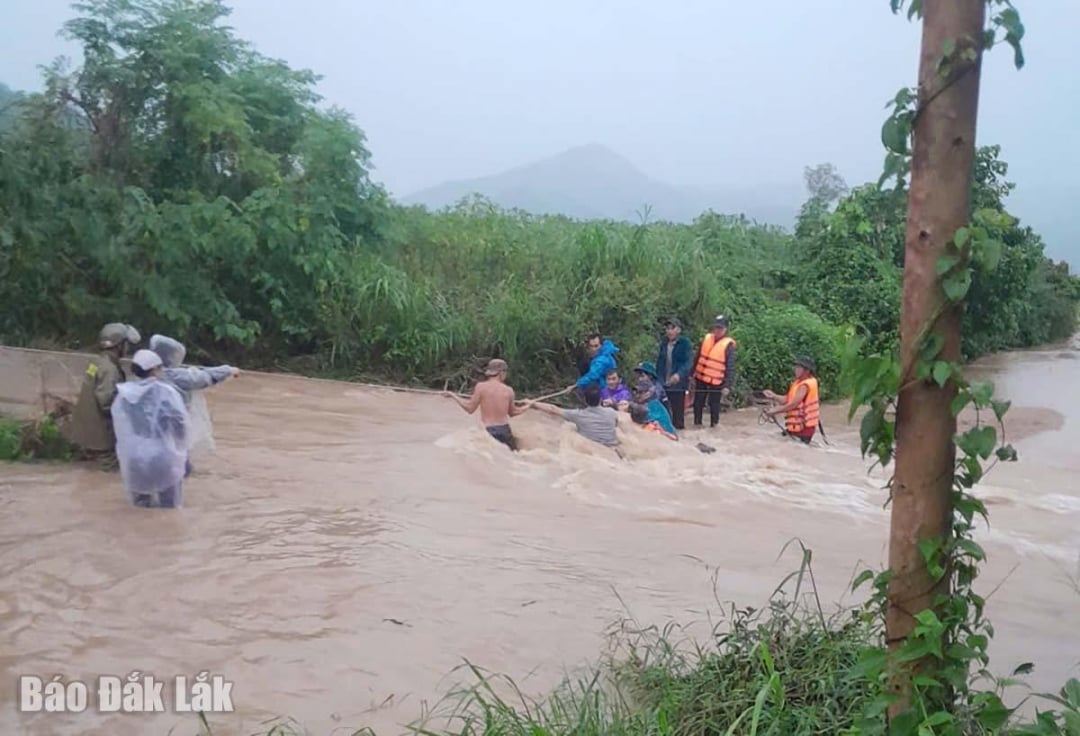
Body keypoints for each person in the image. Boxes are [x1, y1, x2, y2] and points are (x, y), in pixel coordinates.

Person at [148, 334, 240, 475]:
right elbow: (203, 377)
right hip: (172, 426)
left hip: (148, 428)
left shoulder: (142, 374)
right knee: (180, 468)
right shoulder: (175, 376)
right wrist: (228, 370)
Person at [111, 349, 189, 508]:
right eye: (159, 368)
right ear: (153, 370)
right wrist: (181, 449)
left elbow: (120, 424)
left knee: (140, 508)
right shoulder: (166, 392)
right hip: (162, 454)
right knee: (169, 507)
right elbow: (180, 422)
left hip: (135, 455)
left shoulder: (124, 394)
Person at [65, 322, 141, 464]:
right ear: (119, 345)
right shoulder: (110, 369)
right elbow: (106, 402)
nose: (128, 348)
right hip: (100, 441)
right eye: (126, 344)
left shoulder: (96, 362)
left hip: (85, 436)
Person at [443, 358, 527, 451]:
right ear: (500, 372)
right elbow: (513, 412)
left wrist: (453, 396)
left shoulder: (480, 387)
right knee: (513, 456)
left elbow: (469, 409)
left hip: (488, 431)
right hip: (504, 430)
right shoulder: (508, 390)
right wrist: (528, 406)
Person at [527, 383, 619, 449]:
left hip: (591, 450)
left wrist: (532, 403)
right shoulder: (612, 413)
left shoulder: (577, 415)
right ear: (601, 399)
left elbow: (553, 409)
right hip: (611, 450)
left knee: (569, 428)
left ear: (585, 400)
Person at [691, 315, 737, 429]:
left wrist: (727, 386)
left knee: (714, 404)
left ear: (726, 329)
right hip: (701, 377)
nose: (717, 330)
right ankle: (697, 424)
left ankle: (714, 425)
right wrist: (691, 374)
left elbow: (730, 367)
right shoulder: (707, 339)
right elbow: (697, 358)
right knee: (698, 402)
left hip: (717, 380)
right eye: (716, 327)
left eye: (720, 328)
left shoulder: (728, 346)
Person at [763, 356, 820, 445]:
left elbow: (793, 404)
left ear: (807, 371)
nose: (795, 369)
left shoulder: (804, 386)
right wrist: (774, 396)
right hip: (796, 427)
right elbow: (787, 400)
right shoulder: (797, 383)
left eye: (798, 367)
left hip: (804, 429)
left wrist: (775, 410)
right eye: (795, 367)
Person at [656, 318, 693, 430]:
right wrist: (657, 379)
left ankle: (679, 439)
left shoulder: (685, 344)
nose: (669, 331)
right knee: (664, 413)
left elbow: (688, 362)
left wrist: (679, 375)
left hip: (678, 384)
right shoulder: (663, 343)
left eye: (673, 328)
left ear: (679, 330)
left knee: (678, 416)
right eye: (667, 328)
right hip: (663, 382)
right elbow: (659, 363)